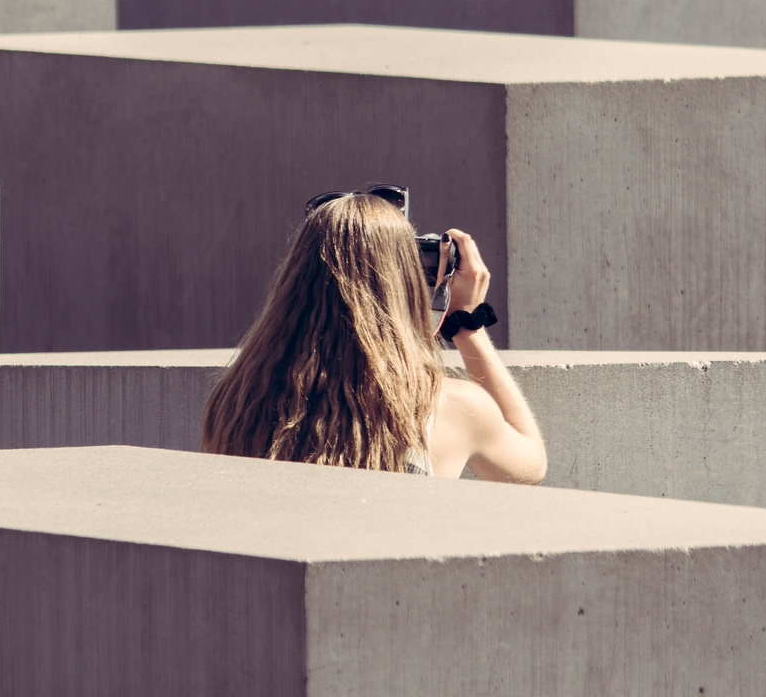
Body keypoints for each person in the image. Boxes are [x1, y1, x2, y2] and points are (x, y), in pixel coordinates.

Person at [202, 189, 547, 482]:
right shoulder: (448, 406)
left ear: (293, 281)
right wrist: (466, 323)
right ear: (407, 280)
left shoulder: (237, 401)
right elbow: (530, 467)